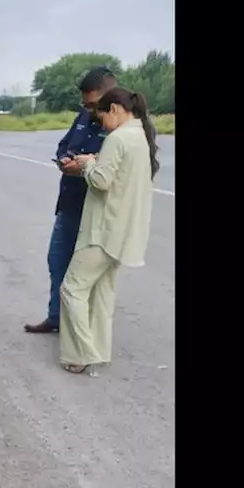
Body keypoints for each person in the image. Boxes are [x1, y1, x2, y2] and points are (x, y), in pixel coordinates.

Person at [56, 87, 159, 374]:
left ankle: (83, 352)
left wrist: (88, 165)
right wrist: (95, 161)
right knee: (101, 294)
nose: (101, 124)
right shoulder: (140, 137)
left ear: (114, 109)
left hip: (103, 230)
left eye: (102, 117)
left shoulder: (118, 138)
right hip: (124, 231)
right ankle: (98, 352)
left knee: (72, 290)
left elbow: (101, 181)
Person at [23, 66, 118, 335]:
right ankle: (56, 318)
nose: (87, 109)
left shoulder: (122, 126)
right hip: (70, 204)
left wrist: (87, 165)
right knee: (57, 262)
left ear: (108, 96)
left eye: (91, 103)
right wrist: (66, 158)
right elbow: (65, 145)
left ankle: (84, 329)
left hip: (96, 211)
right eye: (85, 104)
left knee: (87, 276)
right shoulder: (84, 116)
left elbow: (120, 165)